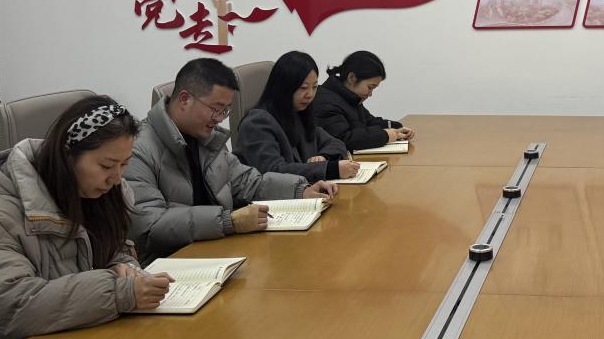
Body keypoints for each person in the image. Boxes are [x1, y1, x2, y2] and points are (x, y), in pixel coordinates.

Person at [0, 95, 173, 339]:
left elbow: (116, 246)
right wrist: (119, 292)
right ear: (67, 156)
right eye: (107, 166)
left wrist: (123, 266)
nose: (117, 178)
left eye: (124, 165)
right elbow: (11, 306)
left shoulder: (97, 193)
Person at [127, 59, 334, 264]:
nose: (220, 119)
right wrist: (228, 221)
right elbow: (150, 225)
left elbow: (247, 182)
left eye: (225, 110)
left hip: (218, 249)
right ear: (184, 99)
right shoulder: (136, 150)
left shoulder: (206, 137)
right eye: (216, 108)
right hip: (170, 264)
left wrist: (300, 191)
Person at [235, 51, 359, 183]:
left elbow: (336, 143)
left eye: (314, 87)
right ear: (284, 87)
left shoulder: (298, 112)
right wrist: (330, 169)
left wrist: (323, 157)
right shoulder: (257, 123)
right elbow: (273, 172)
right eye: (303, 88)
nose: (310, 94)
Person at [314, 51, 414, 151]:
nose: (370, 94)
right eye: (370, 87)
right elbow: (343, 139)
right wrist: (385, 135)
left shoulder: (350, 98)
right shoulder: (326, 103)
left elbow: (369, 122)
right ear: (352, 77)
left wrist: (397, 129)